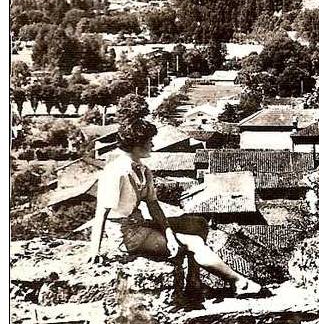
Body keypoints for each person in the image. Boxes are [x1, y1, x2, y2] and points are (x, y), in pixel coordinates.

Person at [89, 115, 264, 306]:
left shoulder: (142, 169)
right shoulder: (117, 171)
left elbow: (153, 205)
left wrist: (170, 234)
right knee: (194, 242)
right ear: (137, 144)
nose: (153, 145)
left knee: (198, 223)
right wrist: (94, 250)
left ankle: (194, 283)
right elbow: (101, 211)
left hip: (139, 224)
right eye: (149, 141)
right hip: (126, 234)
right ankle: (239, 283)